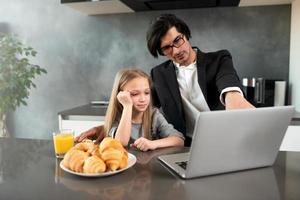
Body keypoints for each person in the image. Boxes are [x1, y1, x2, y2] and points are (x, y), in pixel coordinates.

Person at [76, 14, 254, 145]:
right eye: (167, 48)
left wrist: (233, 97)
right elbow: (142, 106)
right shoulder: (158, 74)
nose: (176, 51)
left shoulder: (218, 59)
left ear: (185, 34)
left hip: (226, 141)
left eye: (178, 40)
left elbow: (228, 81)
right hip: (185, 146)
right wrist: (105, 128)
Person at [88, 68, 184, 151]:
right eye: (134, 94)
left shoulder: (154, 115)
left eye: (146, 93)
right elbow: (121, 142)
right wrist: (127, 106)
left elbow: (179, 140)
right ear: (121, 95)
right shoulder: (117, 117)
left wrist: (153, 144)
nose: (143, 99)